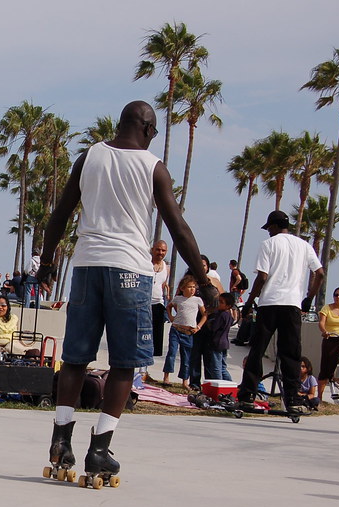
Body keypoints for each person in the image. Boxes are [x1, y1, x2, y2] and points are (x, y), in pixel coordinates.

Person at [35, 100, 215, 482]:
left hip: (85, 267)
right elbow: (179, 230)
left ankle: (60, 440)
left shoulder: (89, 157)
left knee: (75, 358)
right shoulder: (154, 168)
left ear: (120, 124)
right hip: (130, 272)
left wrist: (48, 264)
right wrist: (204, 283)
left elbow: (60, 215)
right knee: (123, 363)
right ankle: (99, 450)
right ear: (149, 130)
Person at [237, 210, 324, 411]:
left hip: (269, 304)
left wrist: (249, 302)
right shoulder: (304, 245)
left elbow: (262, 277)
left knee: (257, 350)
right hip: (292, 305)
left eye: (269, 228)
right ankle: (292, 399)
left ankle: (247, 395)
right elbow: (319, 273)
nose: (268, 232)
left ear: (274, 227)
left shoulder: (268, 245)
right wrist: (308, 299)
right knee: (291, 354)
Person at [162, 275, 206, 388]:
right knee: (172, 352)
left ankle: (184, 381)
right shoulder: (178, 298)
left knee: (186, 357)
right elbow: (169, 306)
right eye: (189, 287)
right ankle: (166, 377)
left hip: (188, 332)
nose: (192, 289)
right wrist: (171, 317)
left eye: (194, 287)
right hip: (176, 329)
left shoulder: (197, 300)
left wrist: (199, 326)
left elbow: (204, 315)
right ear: (182, 288)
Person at [202, 292, 236, 382]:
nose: (219, 304)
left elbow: (214, 328)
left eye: (221, 302)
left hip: (217, 343)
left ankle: (219, 385)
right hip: (224, 343)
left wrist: (207, 320)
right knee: (223, 368)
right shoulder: (228, 315)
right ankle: (230, 384)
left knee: (216, 368)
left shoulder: (221, 315)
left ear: (228, 306)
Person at [150, 240, 169, 357]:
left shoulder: (166, 268)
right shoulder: (146, 263)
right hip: (144, 304)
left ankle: (145, 371)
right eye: (158, 249)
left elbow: (163, 285)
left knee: (156, 341)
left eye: (163, 250)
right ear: (153, 250)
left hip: (158, 304)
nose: (160, 252)